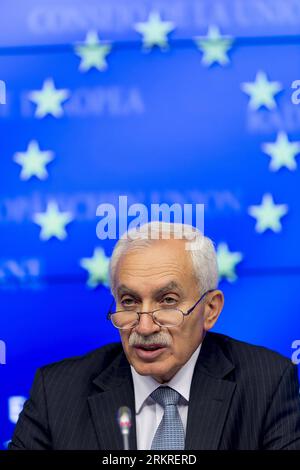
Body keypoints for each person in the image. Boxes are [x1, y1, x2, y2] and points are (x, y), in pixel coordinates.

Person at [9, 222, 300, 450]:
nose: (145, 328)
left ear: (210, 310)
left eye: (169, 301)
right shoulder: (58, 392)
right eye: (129, 302)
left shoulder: (266, 385)